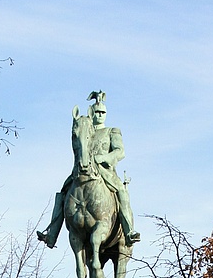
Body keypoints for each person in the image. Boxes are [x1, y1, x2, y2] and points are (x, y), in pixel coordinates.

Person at [37, 90, 140, 249]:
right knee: (63, 192)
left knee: (121, 191)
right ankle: (52, 234)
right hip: (81, 170)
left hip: (106, 173)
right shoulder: (86, 130)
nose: (99, 114)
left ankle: (128, 231)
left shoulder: (111, 131)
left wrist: (103, 158)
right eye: (97, 111)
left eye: (102, 112)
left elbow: (120, 152)